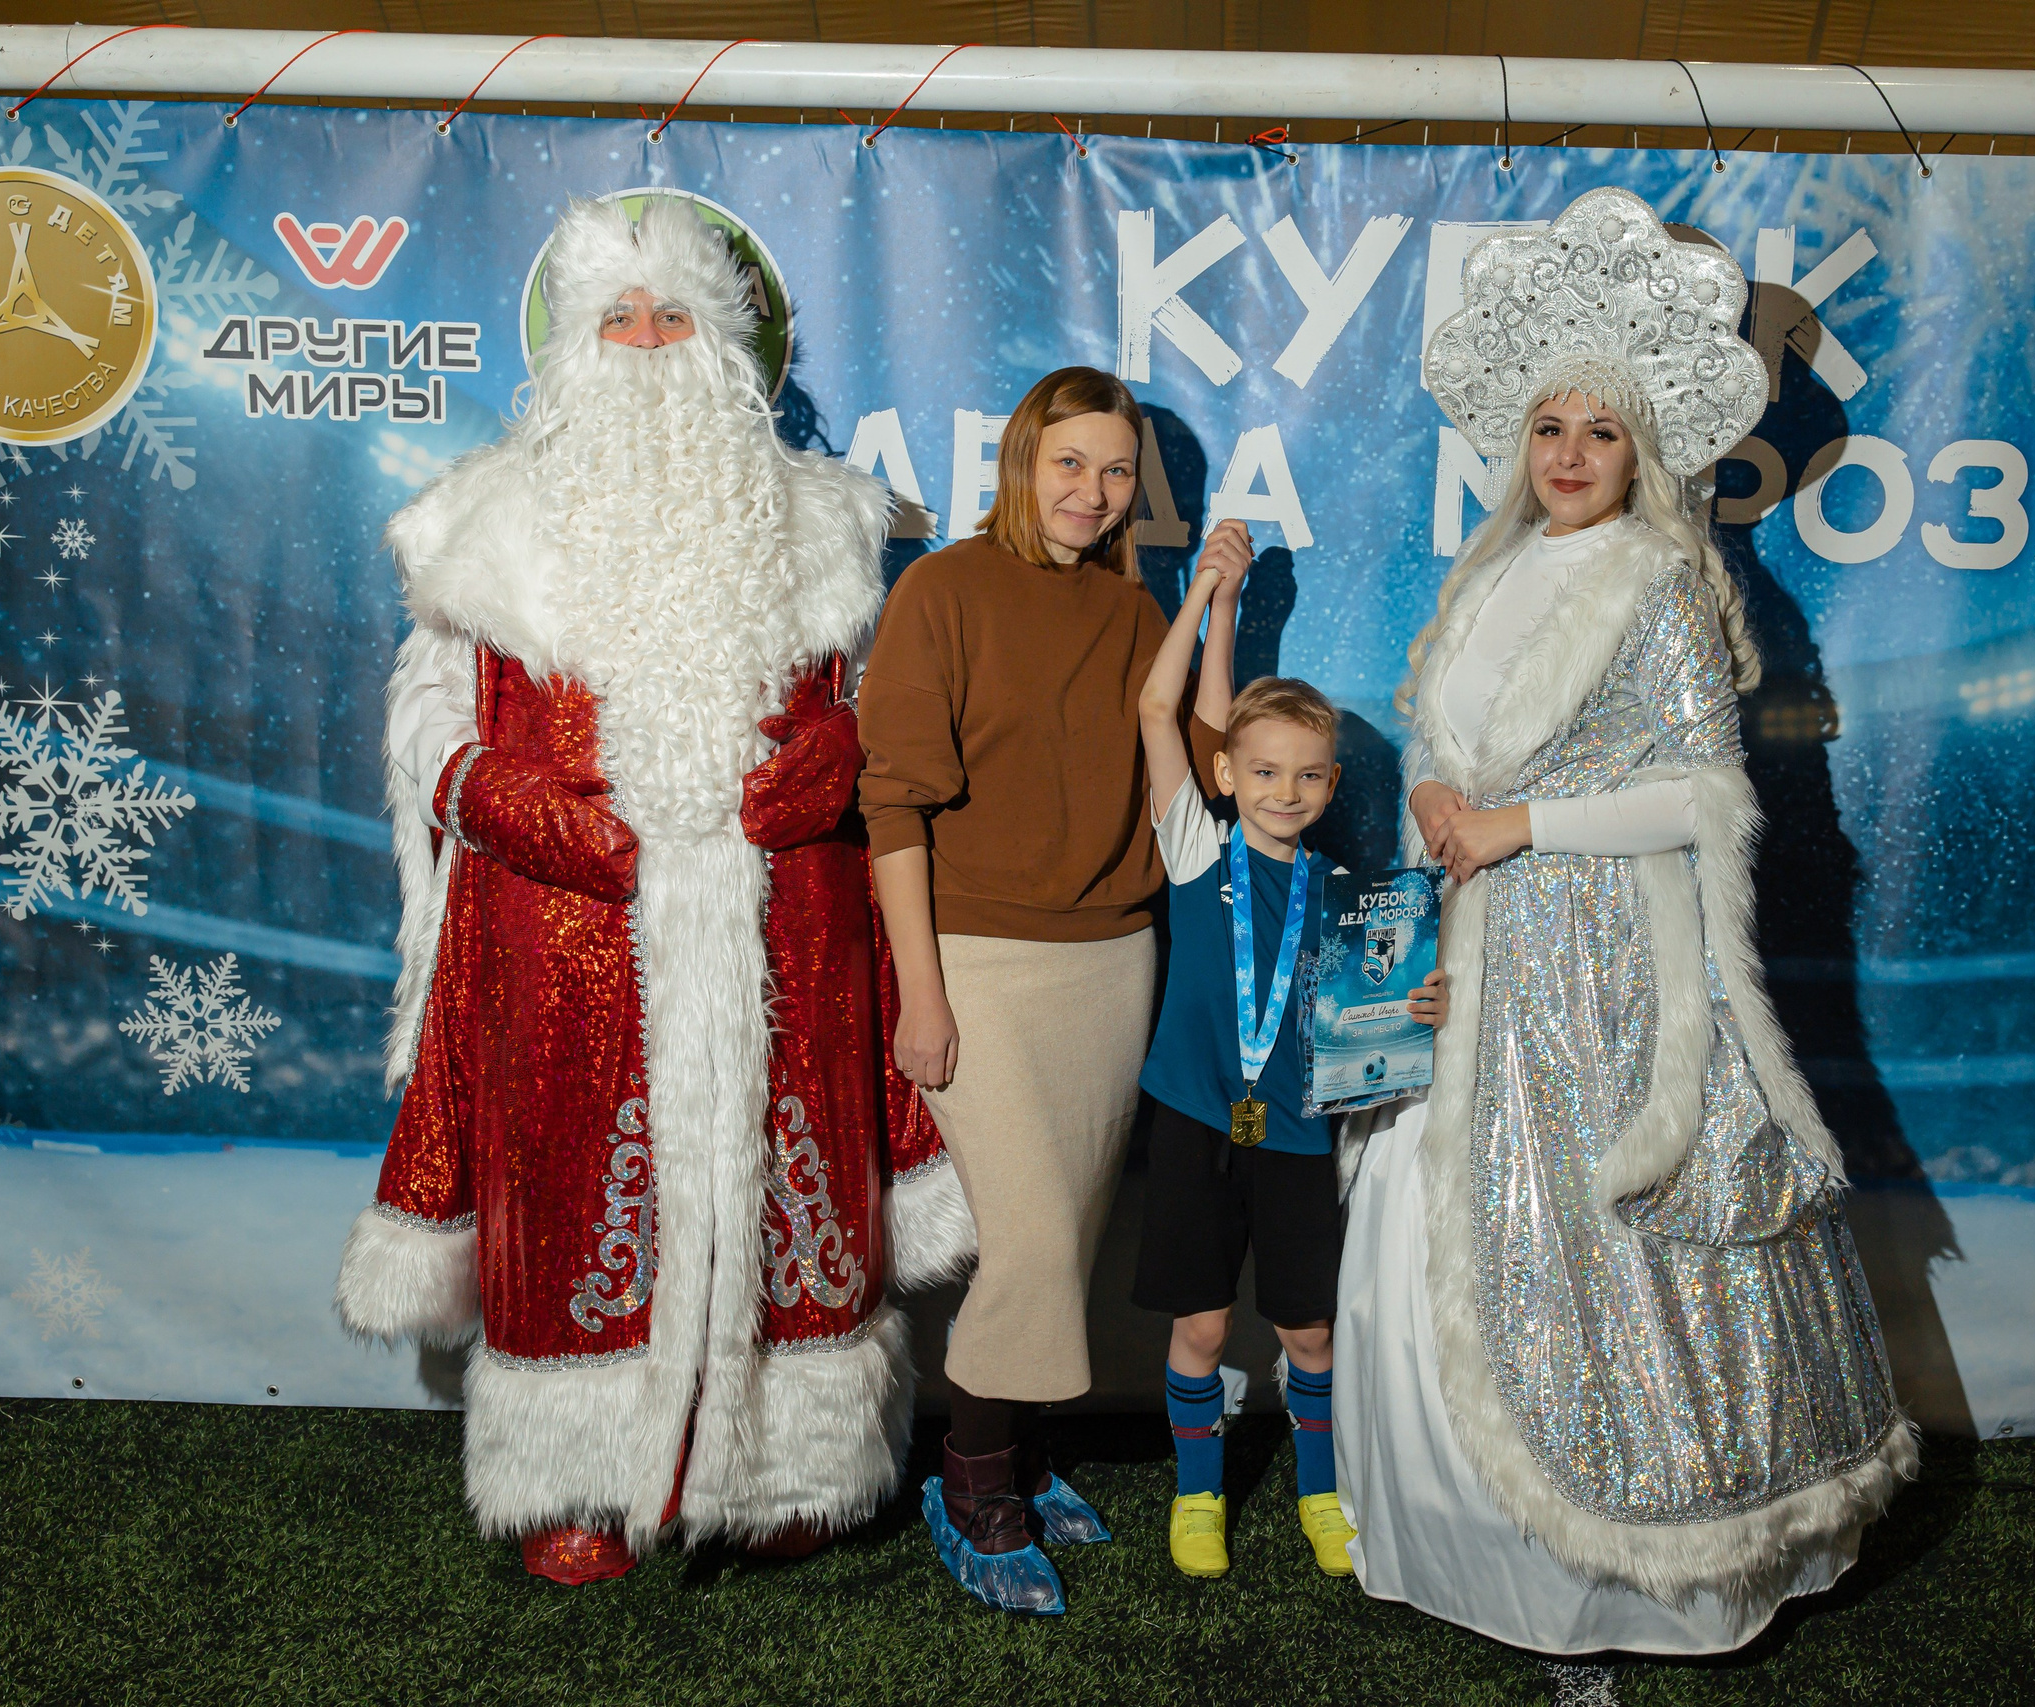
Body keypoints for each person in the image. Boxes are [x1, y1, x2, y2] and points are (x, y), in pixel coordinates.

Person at [333, 196, 972, 1585]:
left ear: (723, 343)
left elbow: (880, 702)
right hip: (564, 923)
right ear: (571, 343)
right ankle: (578, 1473)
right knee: (572, 1188)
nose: (643, 340)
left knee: (791, 1183)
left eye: (672, 315)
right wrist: (510, 805)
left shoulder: (827, 520)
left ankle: (791, 1466)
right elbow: (429, 714)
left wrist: (829, 763)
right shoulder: (481, 521)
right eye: (617, 318)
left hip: (782, 918)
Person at [1334, 187, 1915, 1653]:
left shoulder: (1662, 580)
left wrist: (1518, 825)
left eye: (1599, 432)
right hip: (1478, 946)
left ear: (1639, 448)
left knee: (1600, 1246)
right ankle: (1472, 1554)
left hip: (1602, 970)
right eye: (1550, 427)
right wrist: (1440, 797)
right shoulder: (1486, 573)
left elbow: (1706, 795)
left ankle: (1639, 1578)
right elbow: (1443, 747)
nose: (1571, 454)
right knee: (1443, 1228)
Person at [857, 366, 1226, 1615]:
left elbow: (1205, 770)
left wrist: (1218, 607)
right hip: (981, 961)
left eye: (1116, 471)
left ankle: (1019, 1451)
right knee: (1026, 1239)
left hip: (1114, 959)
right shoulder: (942, 589)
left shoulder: (1132, 610)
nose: (1092, 490)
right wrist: (921, 993)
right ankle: (970, 1486)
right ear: (1022, 461)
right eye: (1070, 462)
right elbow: (892, 804)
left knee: (1069, 1230)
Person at [1128, 523, 1447, 1582]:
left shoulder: (1350, 900)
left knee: (1309, 1333)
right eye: (1263, 771)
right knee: (1203, 1327)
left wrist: (1423, 1001)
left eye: (1309, 776)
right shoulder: (1195, 850)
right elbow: (1155, 709)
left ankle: (1320, 1491)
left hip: (1299, 1138)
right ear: (1226, 771)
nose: (1285, 791)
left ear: (1332, 784)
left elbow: (1383, 1018)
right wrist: (1205, 593)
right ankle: (1198, 1495)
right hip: (1195, 1125)